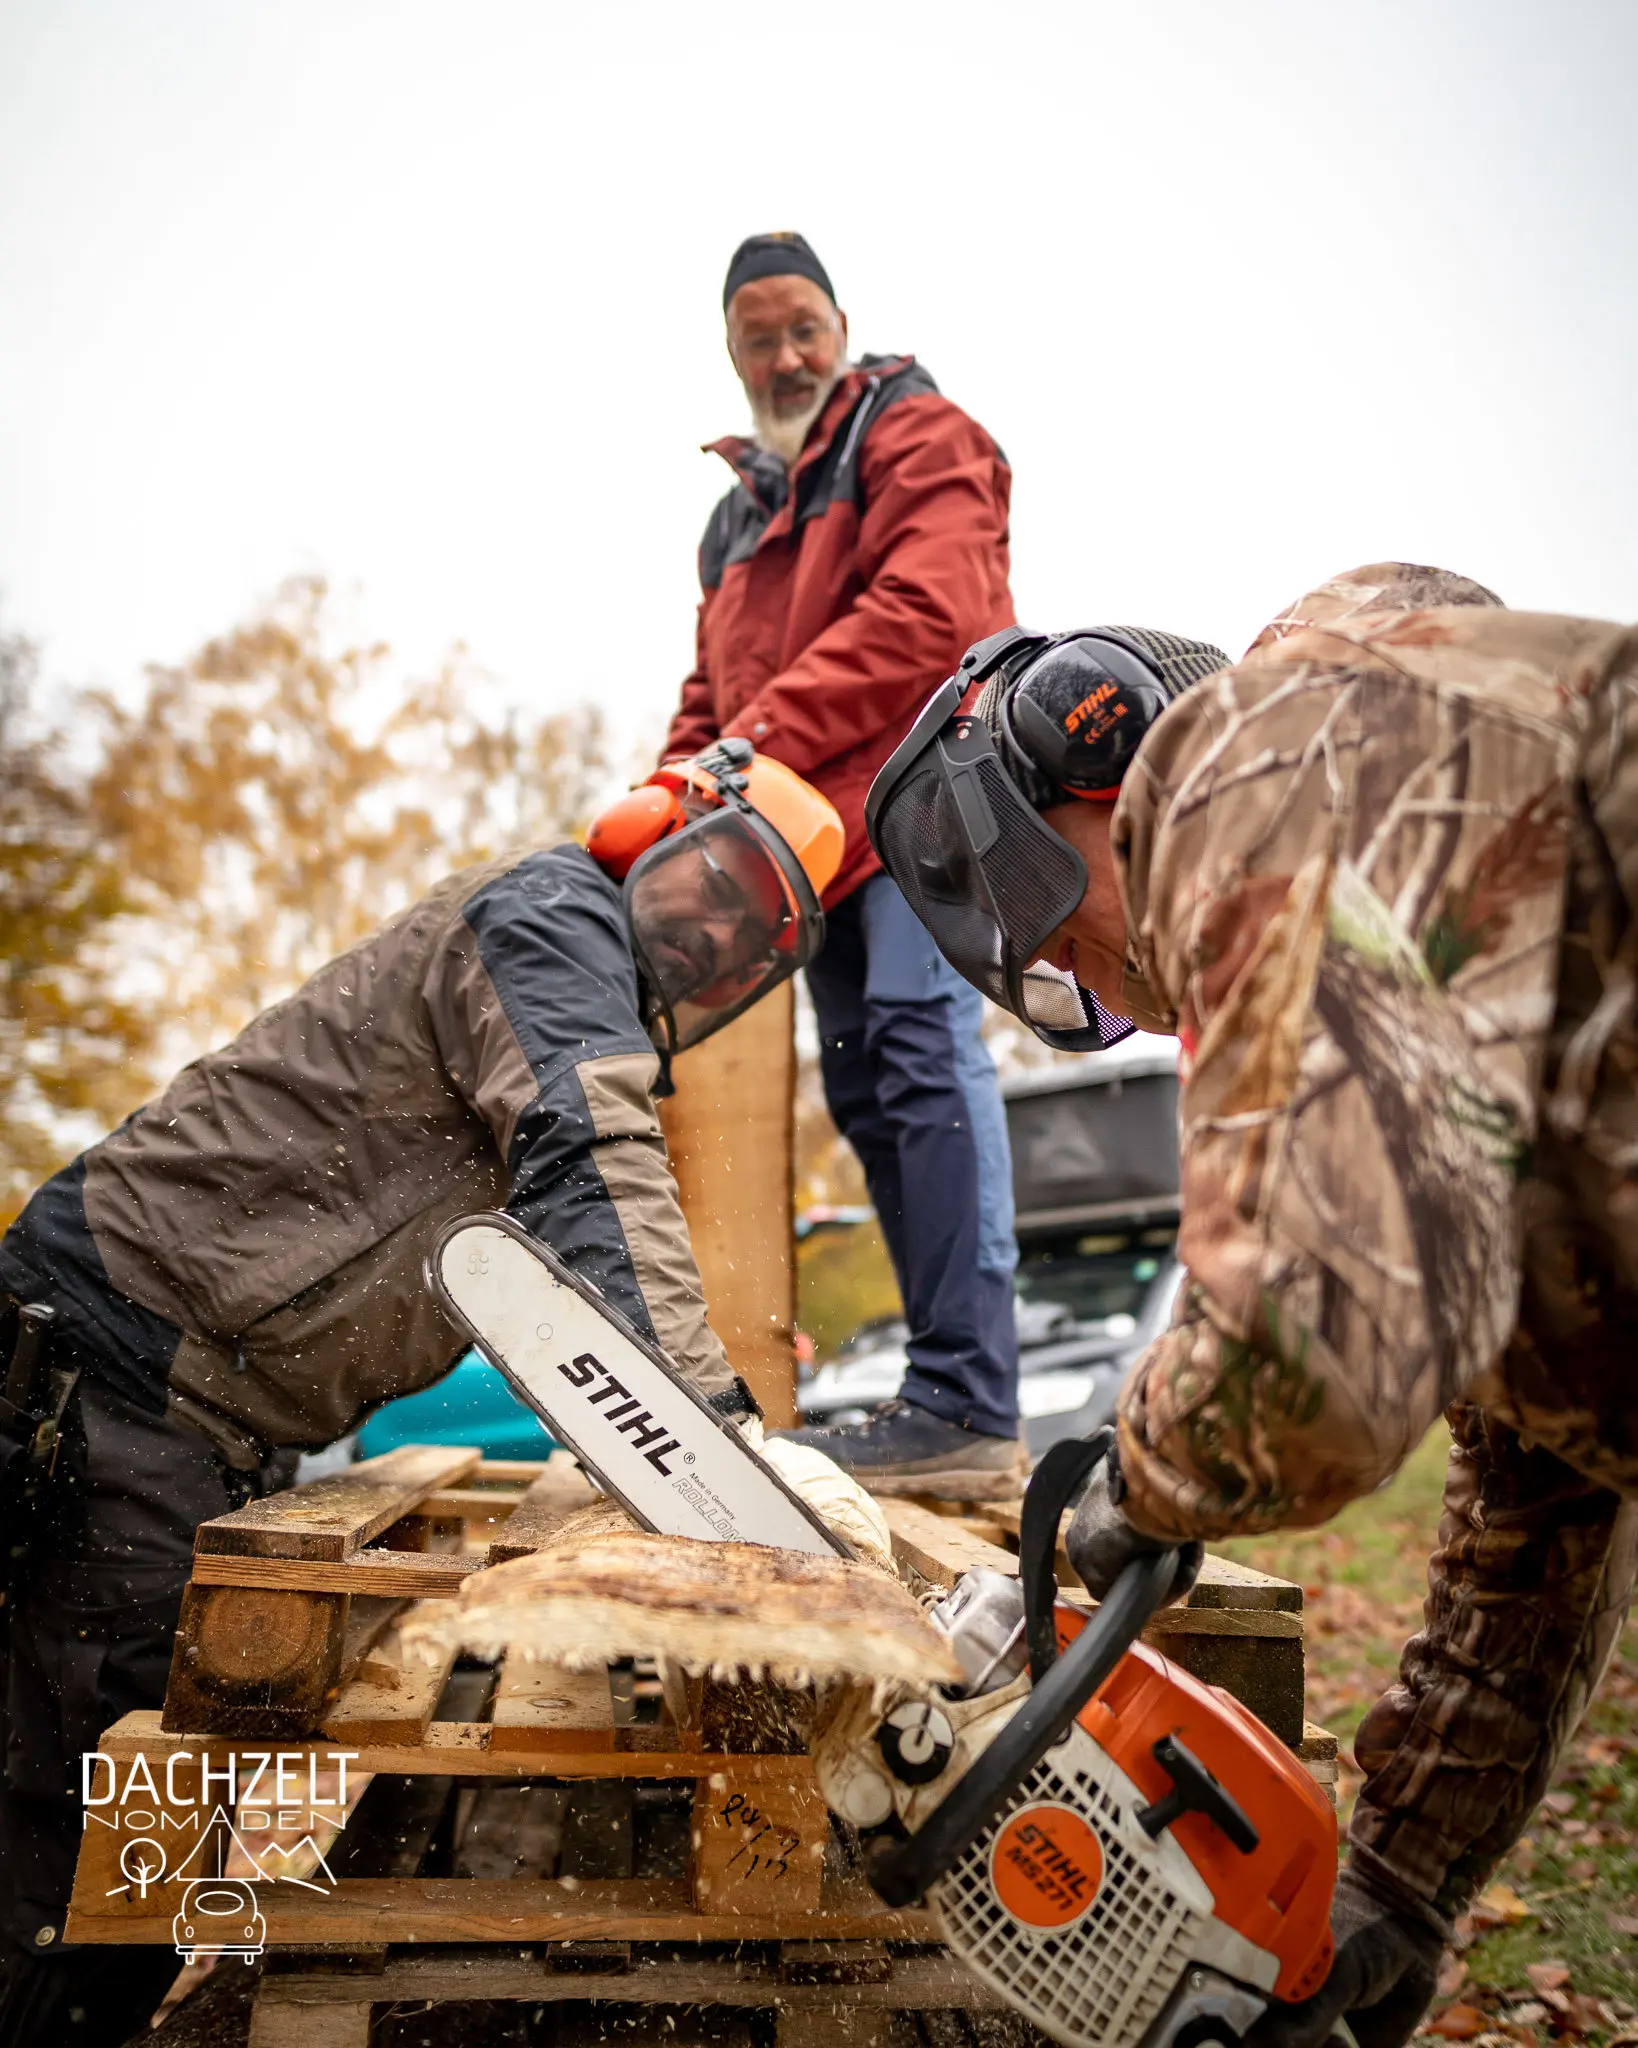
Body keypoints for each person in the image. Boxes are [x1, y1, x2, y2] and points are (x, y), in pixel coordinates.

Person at [864, 564, 1638, 2048]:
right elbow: (1541, 1495)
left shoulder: (1256, 749)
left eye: (1037, 921)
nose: (1074, 973)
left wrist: (1136, 1480)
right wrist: (1398, 1889)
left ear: (1083, 753)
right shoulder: (1467, 972)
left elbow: (1314, 1352)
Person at [0, 742, 841, 2047]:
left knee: (141, 1824)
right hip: (113, 1368)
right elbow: (591, 1151)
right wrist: (702, 1424)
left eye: (751, 936)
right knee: (97, 1845)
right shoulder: (548, 912)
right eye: (716, 888)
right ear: (653, 829)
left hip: (196, 1410)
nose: (716, 934)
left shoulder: (576, 988)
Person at [664, 231, 1024, 1499]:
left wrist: (740, 752)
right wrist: (662, 806)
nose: (785, 353)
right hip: (814, 845)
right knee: (869, 1089)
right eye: (757, 336)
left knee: (925, 1055)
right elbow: (716, 695)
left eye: (802, 325)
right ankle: (941, 1390)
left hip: (926, 805)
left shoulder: (914, 433)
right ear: (730, 350)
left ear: (839, 320)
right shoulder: (734, 518)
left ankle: (971, 1400)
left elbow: (930, 615)